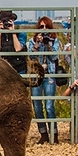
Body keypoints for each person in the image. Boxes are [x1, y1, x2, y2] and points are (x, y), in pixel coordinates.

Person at [28, 16, 61, 144]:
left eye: (46, 26)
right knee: (37, 106)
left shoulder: (55, 41)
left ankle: (54, 133)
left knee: (49, 106)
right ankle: (43, 134)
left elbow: (55, 56)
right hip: (37, 75)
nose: (44, 29)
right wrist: (37, 44)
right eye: (41, 27)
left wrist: (48, 45)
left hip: (50, 75)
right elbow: (31, 56)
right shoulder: (32, 41)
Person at [0, 10, 28, 75]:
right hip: (5, 67)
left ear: (12, 21)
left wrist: (13, 31)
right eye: (4, 21)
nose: (6, 23)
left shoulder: (20, 33)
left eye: (8, 21)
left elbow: (18, 49)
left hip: (19, 67)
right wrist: (0, 32)